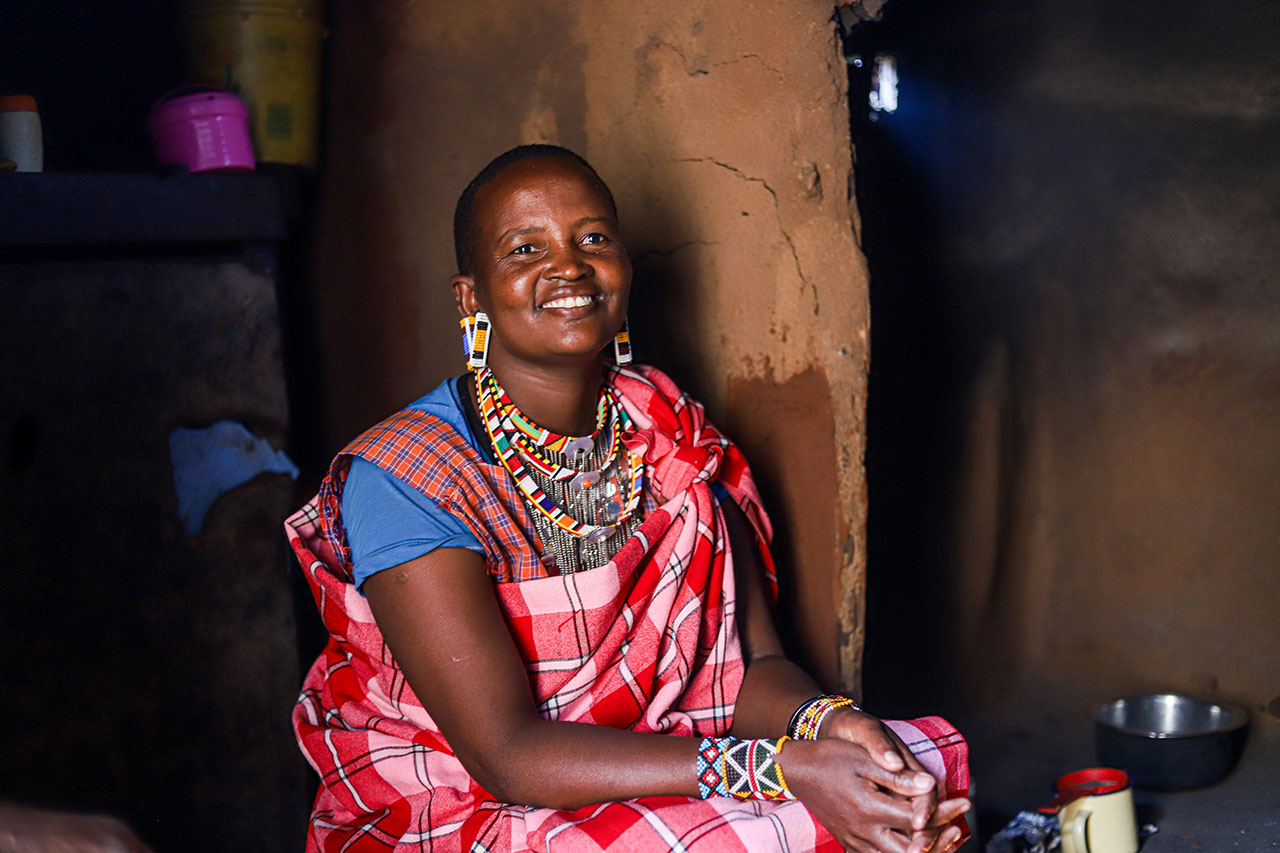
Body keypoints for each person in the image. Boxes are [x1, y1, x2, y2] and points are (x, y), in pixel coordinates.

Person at [286, 144, 970, 852]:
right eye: (525, 248)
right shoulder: (406, 476)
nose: (569, 266)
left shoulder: (665, 429)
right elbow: (507, 756)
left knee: (911, 775)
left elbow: (751, 670)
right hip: (463, 802)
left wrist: (826, 725)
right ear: (471, 297)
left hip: (648, 766)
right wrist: (780, 767)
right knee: (781, 825)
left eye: (593, 239)